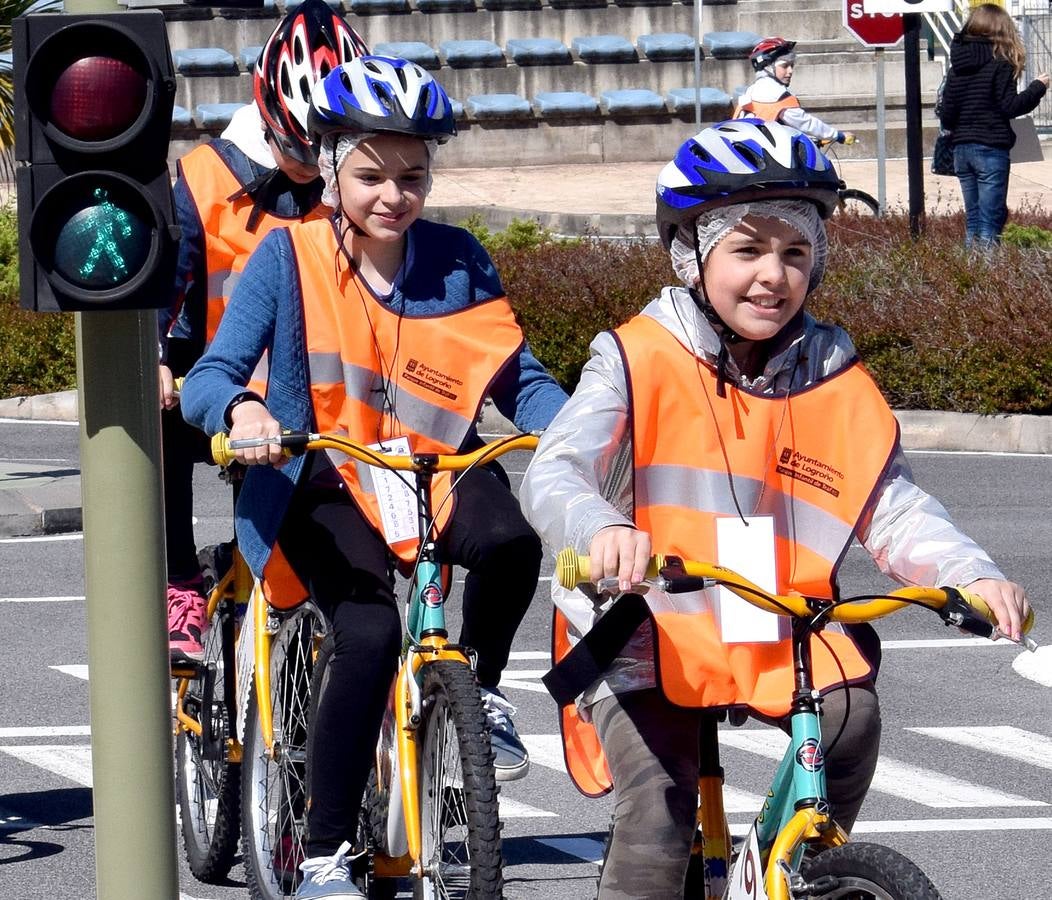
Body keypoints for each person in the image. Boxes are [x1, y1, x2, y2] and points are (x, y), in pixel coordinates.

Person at [519, 118, 1031, 900]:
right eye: (747, 250)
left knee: (851, 715)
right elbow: (555, 471)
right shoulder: (634, 355)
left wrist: (970, 572)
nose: (773, 276)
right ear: (692, 256)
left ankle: (792, 868)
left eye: (795, 252)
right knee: (657, 817)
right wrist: (603, 528)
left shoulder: (833, 369)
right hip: (645, 621)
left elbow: (890, 505)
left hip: (776, 621)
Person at [181, 56, 568, 898]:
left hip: (432, 467)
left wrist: (575, 432)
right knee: (366, 634)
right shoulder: (286, 258)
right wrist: (243, 416)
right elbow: (213, 375)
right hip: (319, 476)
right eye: (370, 175)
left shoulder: (459, 260)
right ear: (330, 168)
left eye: (412, 176)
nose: (392, 195)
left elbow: (519, 377)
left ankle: (478, 695)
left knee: (509, 544)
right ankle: (324, 853)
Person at [161, 0, 368, 665]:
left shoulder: (358, 187)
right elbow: (164, 288)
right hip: (213, 392)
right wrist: (158, 358)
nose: (314, 169)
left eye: (328, 151)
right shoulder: (203, 178)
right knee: (157, 419)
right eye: (297, 150)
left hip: (307, 399)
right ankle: (180, 583)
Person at [939, 3, 1049, 248]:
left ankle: (969, 276)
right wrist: (1038, 87)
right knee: (991, 223)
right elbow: (1010, 107)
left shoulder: (958, 66)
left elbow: (947, 114)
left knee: (974, 222)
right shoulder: (1001, 63)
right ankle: (988, 277)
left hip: (961, 150)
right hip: (990, 148)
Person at [734, 37, 855, 146]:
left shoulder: (752, 90)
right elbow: (805, 123)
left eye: (792, 65)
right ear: (768, 67)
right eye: (785, 66)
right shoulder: (777, 94)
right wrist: (838, 135)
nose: (790, 71)